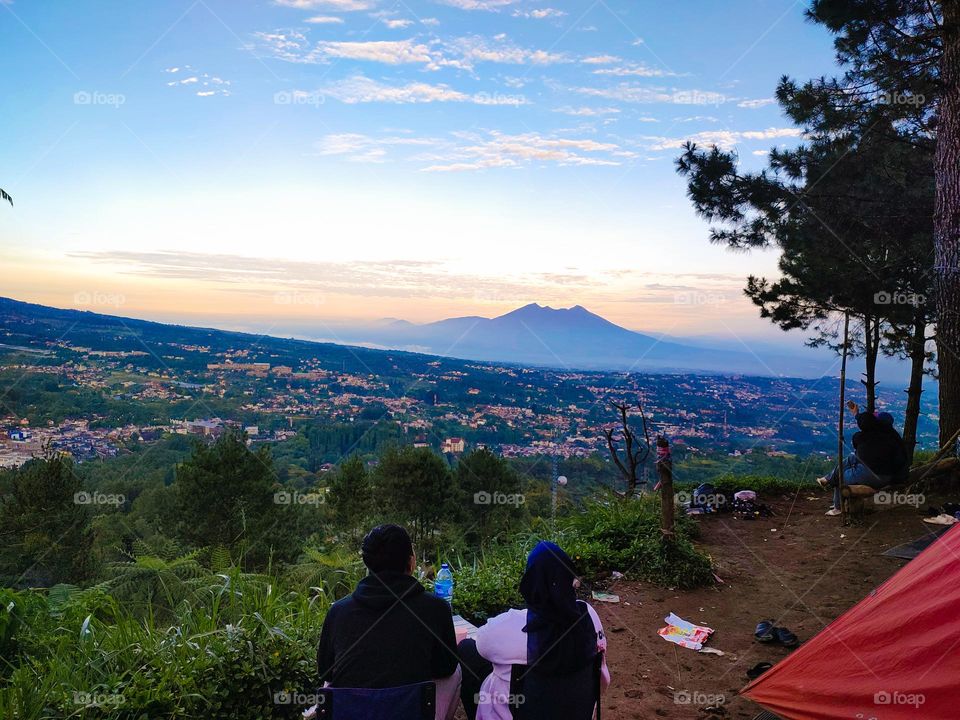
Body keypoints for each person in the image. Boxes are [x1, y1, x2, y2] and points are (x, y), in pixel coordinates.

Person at [315, 524, 461, 720]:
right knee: (456, 672)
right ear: (411, 562)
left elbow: (326, 672)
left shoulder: (338, 611)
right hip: (409, 711)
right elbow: (446, 667)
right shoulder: (436, 608)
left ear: (368, 564)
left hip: (351, 713)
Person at [457, 541, 610, 720]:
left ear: (530, 582)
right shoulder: (589, 616)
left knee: (467, 649)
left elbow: (481, 645)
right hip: (575, 711)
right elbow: (602, 681)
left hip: (520, 709)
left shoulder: (512, 624)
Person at [818, 401, 909, 516]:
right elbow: (899, 462)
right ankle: (827, 479)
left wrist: (857, 414)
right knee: (852, 459)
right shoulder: (893, 439)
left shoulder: (863, 437)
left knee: (840, 476)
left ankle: (838, 507)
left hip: (874, 476)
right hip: (886, 476)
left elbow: (865, 423)